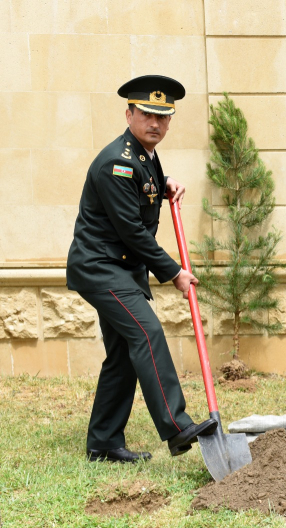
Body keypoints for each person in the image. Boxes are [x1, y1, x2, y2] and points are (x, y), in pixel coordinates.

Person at [66, 75, 217, 463]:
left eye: (163, 117)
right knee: (147, 334)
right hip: (102, 269)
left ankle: (103, 443)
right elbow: (131, 230)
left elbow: (142, 184)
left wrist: (164, 182)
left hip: (119, 269)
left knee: (122, 355)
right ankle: (177, 426)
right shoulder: (117, 162)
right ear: (129, 113)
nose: (156, 123)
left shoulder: (143, 155)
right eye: (147, 114)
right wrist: (174, 272)